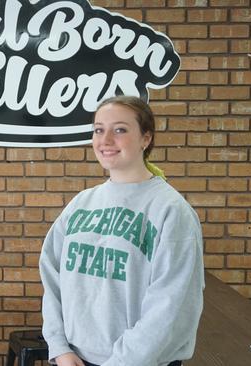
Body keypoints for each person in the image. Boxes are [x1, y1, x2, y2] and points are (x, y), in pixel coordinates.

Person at [39, 95, 204, 366]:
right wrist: (59, 347)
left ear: (145, 139)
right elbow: (52, 277)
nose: (105, 141)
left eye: (120, 130)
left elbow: (171, 307)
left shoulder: (171, 211)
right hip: (75, 360)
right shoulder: (81, 203)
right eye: (98, 130)